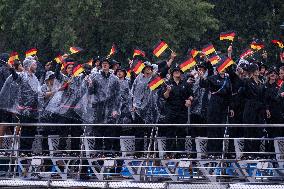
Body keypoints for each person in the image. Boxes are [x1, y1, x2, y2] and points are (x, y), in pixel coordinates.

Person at [159, 65, 193, 157]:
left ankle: (180, 153)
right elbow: (164, 97)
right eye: (175, 71)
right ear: (172, 73)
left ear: (181, 73)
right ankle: (169, 153)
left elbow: (191, 95)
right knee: (170, 133)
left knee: (182, 133)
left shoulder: (186, 84)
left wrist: (189, 100)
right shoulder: (167, 83)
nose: (177, 72)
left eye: (178, 71)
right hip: (171, 111)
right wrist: (168, 91)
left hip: (182, 112)